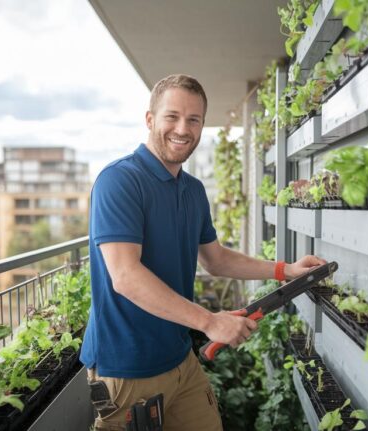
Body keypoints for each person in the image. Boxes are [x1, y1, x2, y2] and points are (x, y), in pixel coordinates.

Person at [80, 74, 326, 431]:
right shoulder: (119, 181)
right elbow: (125, 277)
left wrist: (285, 270)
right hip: (128, 369)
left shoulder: (192, 190)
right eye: (172, 116)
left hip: (181, 358)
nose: (183, 128)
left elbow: (215, 258)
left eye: (194, 119)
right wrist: (211, 322)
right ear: (150, 119)